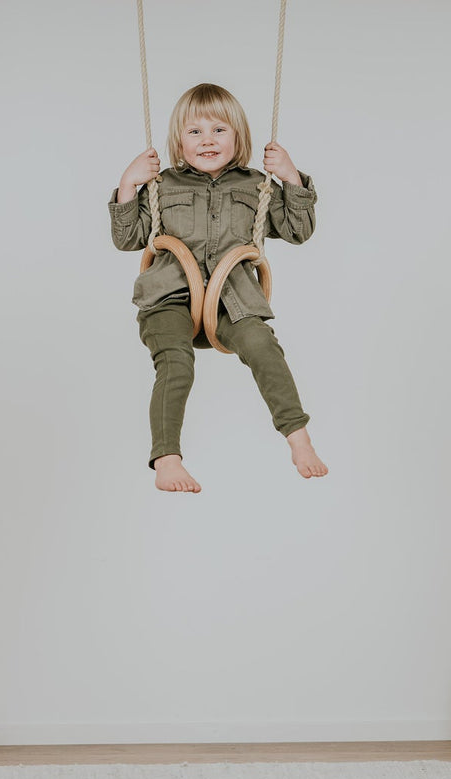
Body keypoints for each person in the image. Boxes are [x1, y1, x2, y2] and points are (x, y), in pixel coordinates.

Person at [109, 83, 328, 493]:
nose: (207, 140)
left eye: (219, 130)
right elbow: (128, 238)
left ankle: (299, 440)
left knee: (263, 346)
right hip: (169, 298)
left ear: (238, 137)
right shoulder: (163, 185)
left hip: (233, 300)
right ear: (178, 141)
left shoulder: (257, 185)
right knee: (176, 362)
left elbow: (297, 231)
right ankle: (167, 460)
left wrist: (290, 177)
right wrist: (128, 184)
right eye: (195, 131)